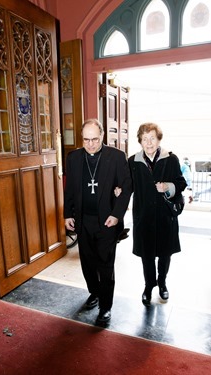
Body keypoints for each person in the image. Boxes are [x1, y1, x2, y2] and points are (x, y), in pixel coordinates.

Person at [64, 118, 132, 324]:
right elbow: (70, 189)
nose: (91, 144)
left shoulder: (117, 157)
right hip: (84, 220)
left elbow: (126, 187)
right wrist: (68, 214)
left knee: (105, 264)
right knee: (87, 262)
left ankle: (105, 307)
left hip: (107, 222)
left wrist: (116, 214)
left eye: (94, 139)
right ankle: (94, 293)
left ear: (102, 136)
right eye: (86, 140)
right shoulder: (74, 158)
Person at [128, 122, 187, 306]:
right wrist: (118, 191)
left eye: (152, 138)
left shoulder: (171, 159)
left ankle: (162, 283)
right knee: (146, 255)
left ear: (159, 139)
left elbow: (181, 183)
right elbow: (127, 185)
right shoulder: (133, 162)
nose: (149, 143)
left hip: (164, 217)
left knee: (164, 254)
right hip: (143, 217)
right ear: (140, 141)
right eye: (145, 139)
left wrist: (168, 187)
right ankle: (148, 286)